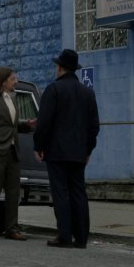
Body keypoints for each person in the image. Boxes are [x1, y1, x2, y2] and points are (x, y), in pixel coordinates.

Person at [33, 49, 100, 249]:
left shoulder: (53, 90)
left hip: (57, 151)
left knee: (60, 192)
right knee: (79, 192)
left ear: (60, 67)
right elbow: (93, 126)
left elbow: (44, 122)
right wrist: (88, 150)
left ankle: (64, 235)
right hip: (79, 152)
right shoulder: (87, 93)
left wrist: (39, 146)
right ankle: (81, 237)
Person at [0, 66, 36, 241]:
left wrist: (27, 125)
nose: (16, 81)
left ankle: (12, 228)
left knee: (13, 192)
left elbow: (11, 125)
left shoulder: (12, 98)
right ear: (3, 82)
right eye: (13, 79)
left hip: (12, 151)